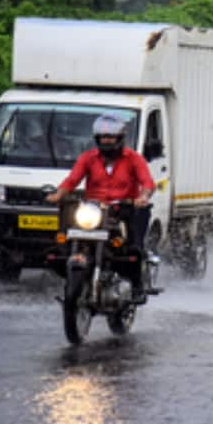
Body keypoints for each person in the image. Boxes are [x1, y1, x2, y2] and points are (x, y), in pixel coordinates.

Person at [46, 114, 155, 300]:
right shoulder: (88, 158)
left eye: (111, 137)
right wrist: (58, 194)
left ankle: (137, 282)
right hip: (94, 210)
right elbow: (72, 180)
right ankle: (71, 266)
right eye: (103, 137)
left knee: (135, 240)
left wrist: (143, 196)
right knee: (65, 226)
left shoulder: (134, 159)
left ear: (120, 138)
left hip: (123, 209)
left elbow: (147, 183)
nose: (107, 141)